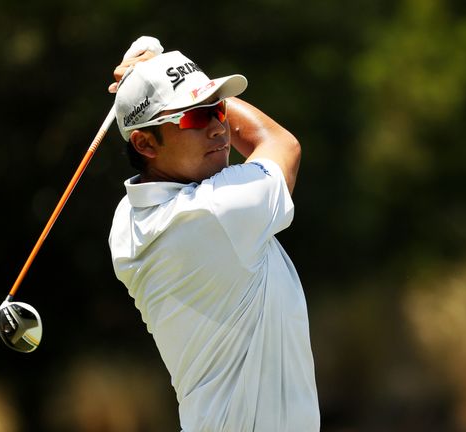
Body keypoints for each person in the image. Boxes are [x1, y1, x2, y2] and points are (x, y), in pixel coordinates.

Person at [107, 37, 320, 431]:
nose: (218, 127)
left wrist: (163, 76)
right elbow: (280, 144)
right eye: (193, 117)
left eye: (217, 109)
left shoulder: (127, 222)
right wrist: (160, 65)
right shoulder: (215, 212)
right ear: (144, 142)